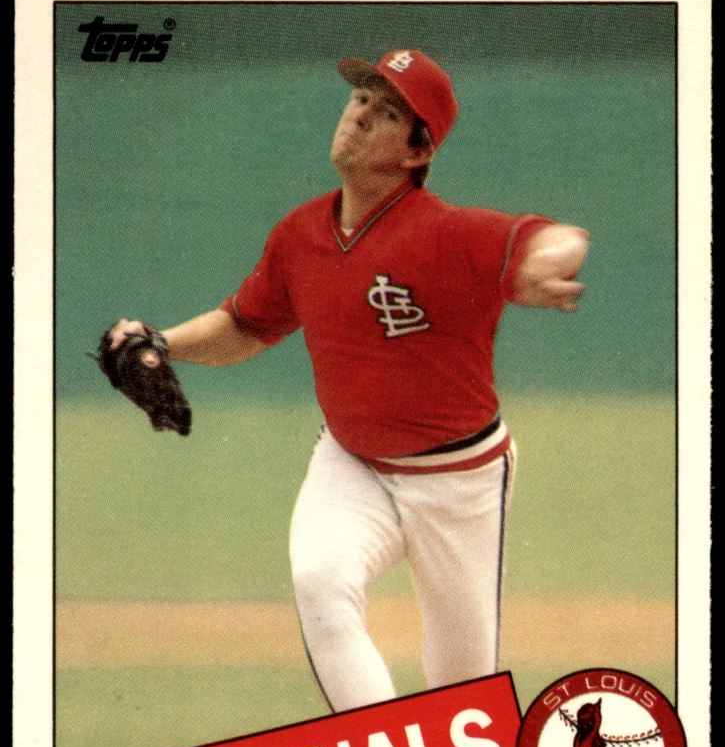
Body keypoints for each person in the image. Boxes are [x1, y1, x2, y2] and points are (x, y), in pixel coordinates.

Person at [110, 49, 590, 713]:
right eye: (360, 97)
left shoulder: (447, 232)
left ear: (417, 152)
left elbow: (556, 237)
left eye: (387, 112)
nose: (359, 114)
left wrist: (548, 261)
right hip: (352, 461)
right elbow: (246, 325)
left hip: (459, 479)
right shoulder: (301, 233)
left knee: (463, 694)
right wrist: (161, 343)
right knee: (320, 580)